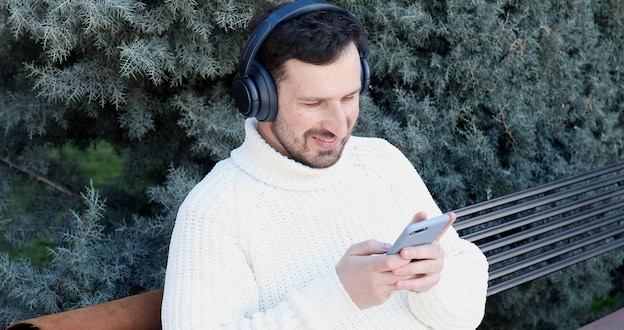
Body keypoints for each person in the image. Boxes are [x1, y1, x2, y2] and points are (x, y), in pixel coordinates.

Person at [161, 0, 488, 328]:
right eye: (313, 102)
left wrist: (431, 283)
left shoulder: (381, 161)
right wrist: (337, 296)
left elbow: (465, 316)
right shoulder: (216, 211)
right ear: (259, 99)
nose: (339, 125)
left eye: (348, 98)